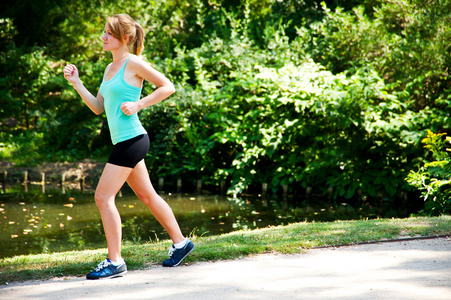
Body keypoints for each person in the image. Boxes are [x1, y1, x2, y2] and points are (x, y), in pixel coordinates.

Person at [63, 14, 194, 280]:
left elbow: (167, 86)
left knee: (103, 197)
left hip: (132, 140)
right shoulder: (110, 68)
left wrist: (139, 104)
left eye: (108, 33)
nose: (103, 36)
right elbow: (99, 108)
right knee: (147, 196)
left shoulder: (133, 63)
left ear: (123, 38)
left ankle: (115, 261)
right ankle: (181, 244)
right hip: (125, 140)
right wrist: (77, 83)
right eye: (103, 32)